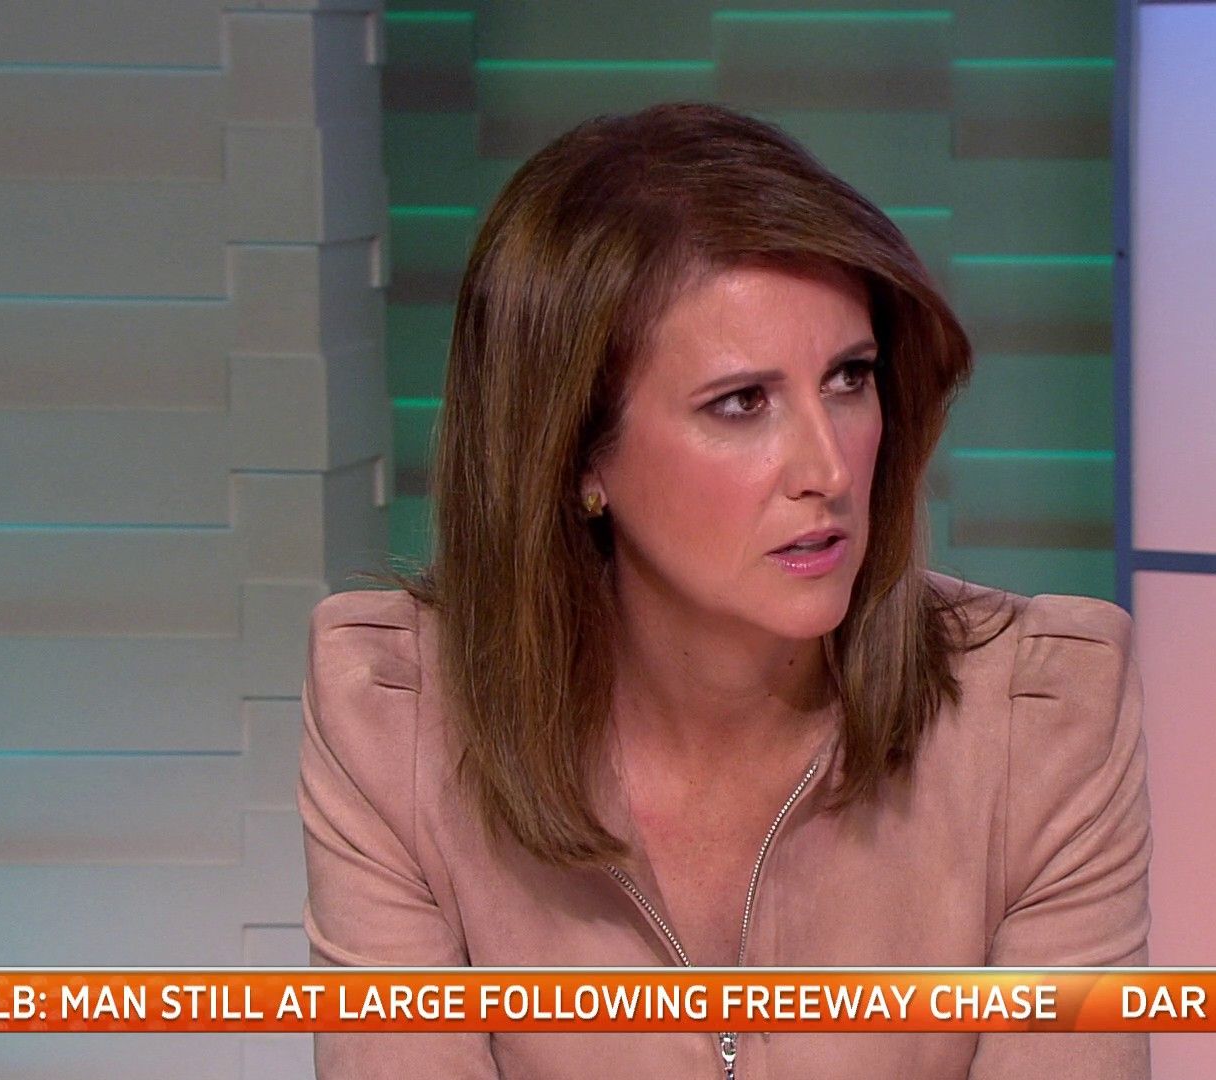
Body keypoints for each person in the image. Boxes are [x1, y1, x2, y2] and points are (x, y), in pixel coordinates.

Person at [299, 101, 1152, 1078]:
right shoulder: (397, 719)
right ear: (576, 454)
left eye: (850, 378)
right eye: (742, 403)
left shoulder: (1042, 722)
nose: (828, 468)